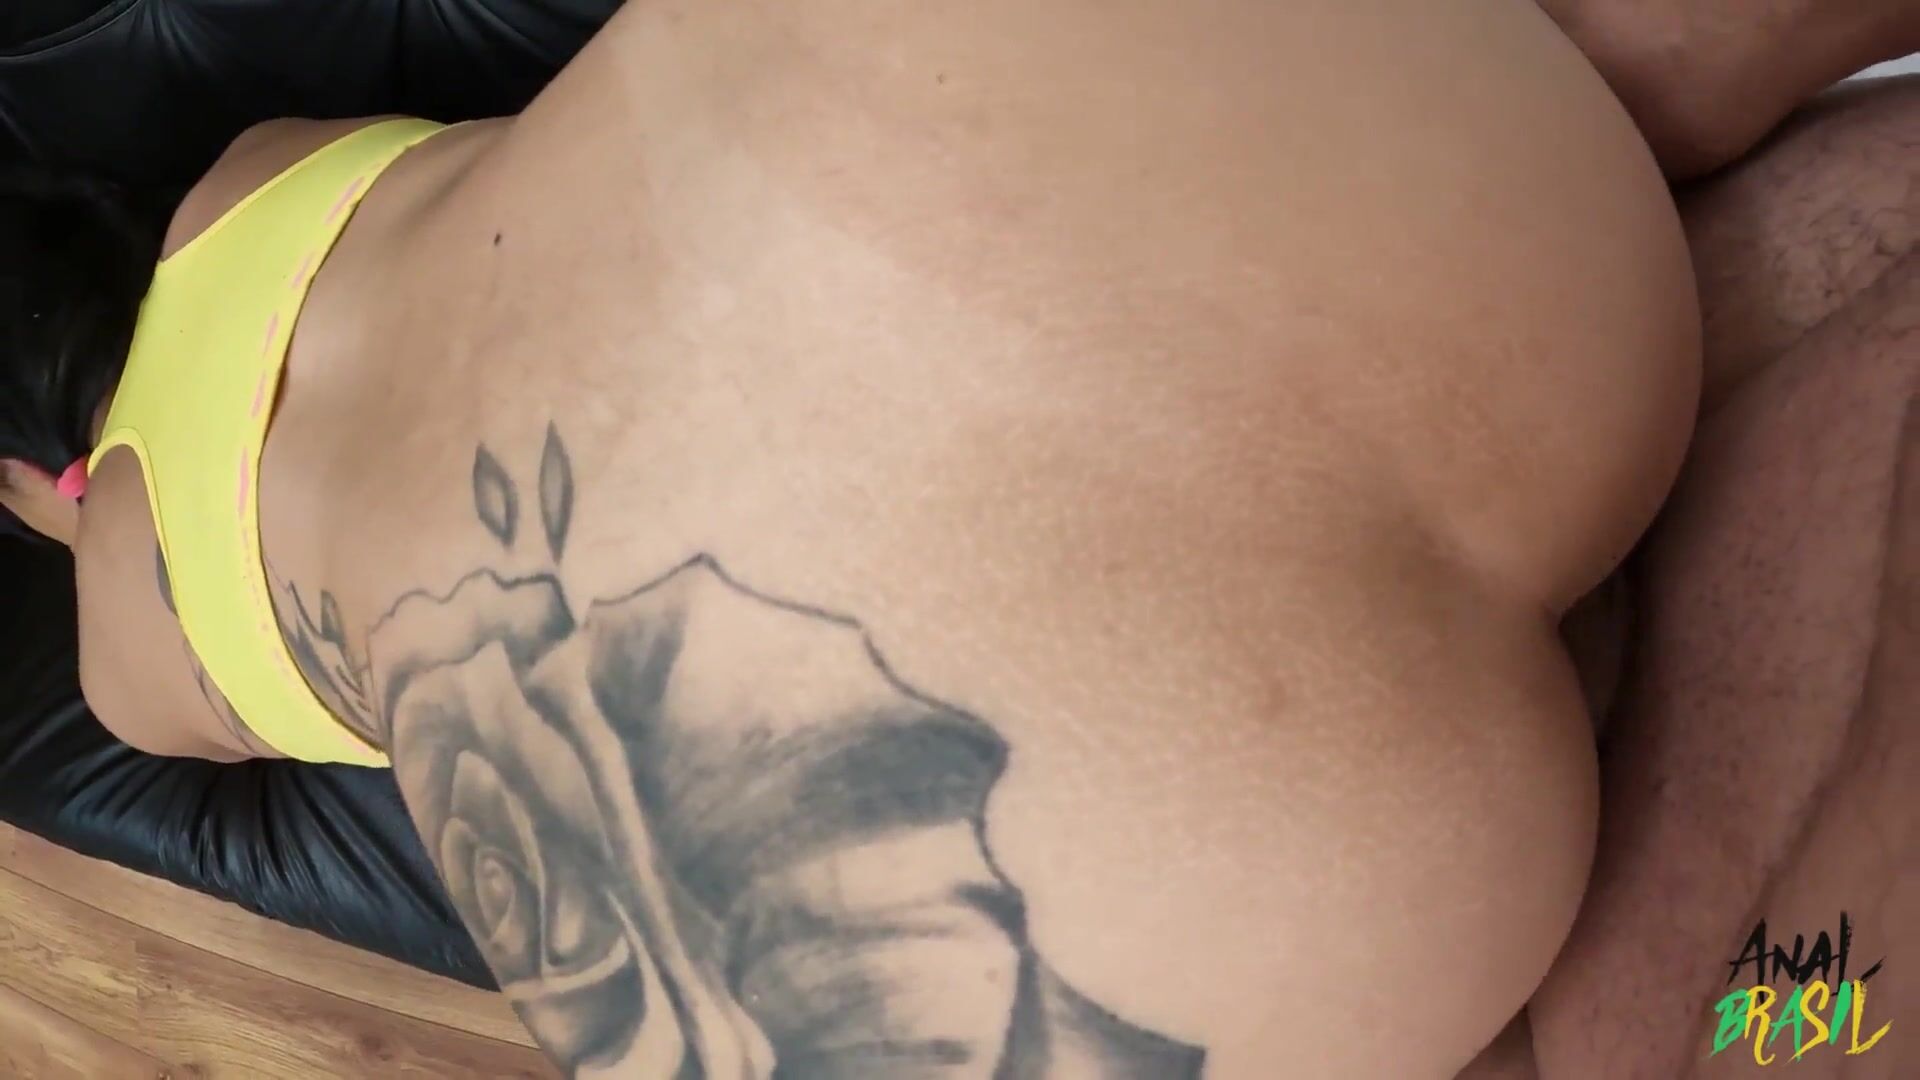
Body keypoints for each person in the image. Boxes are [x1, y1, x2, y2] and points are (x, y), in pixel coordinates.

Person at [0, 1, 1912, 1074]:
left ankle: (1825, 990)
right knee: (1627, 53)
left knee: (1726, 1020)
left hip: (1183, 858)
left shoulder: (121, 650)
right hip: (1196, 160)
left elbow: (161, 614)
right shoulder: (244, 181)